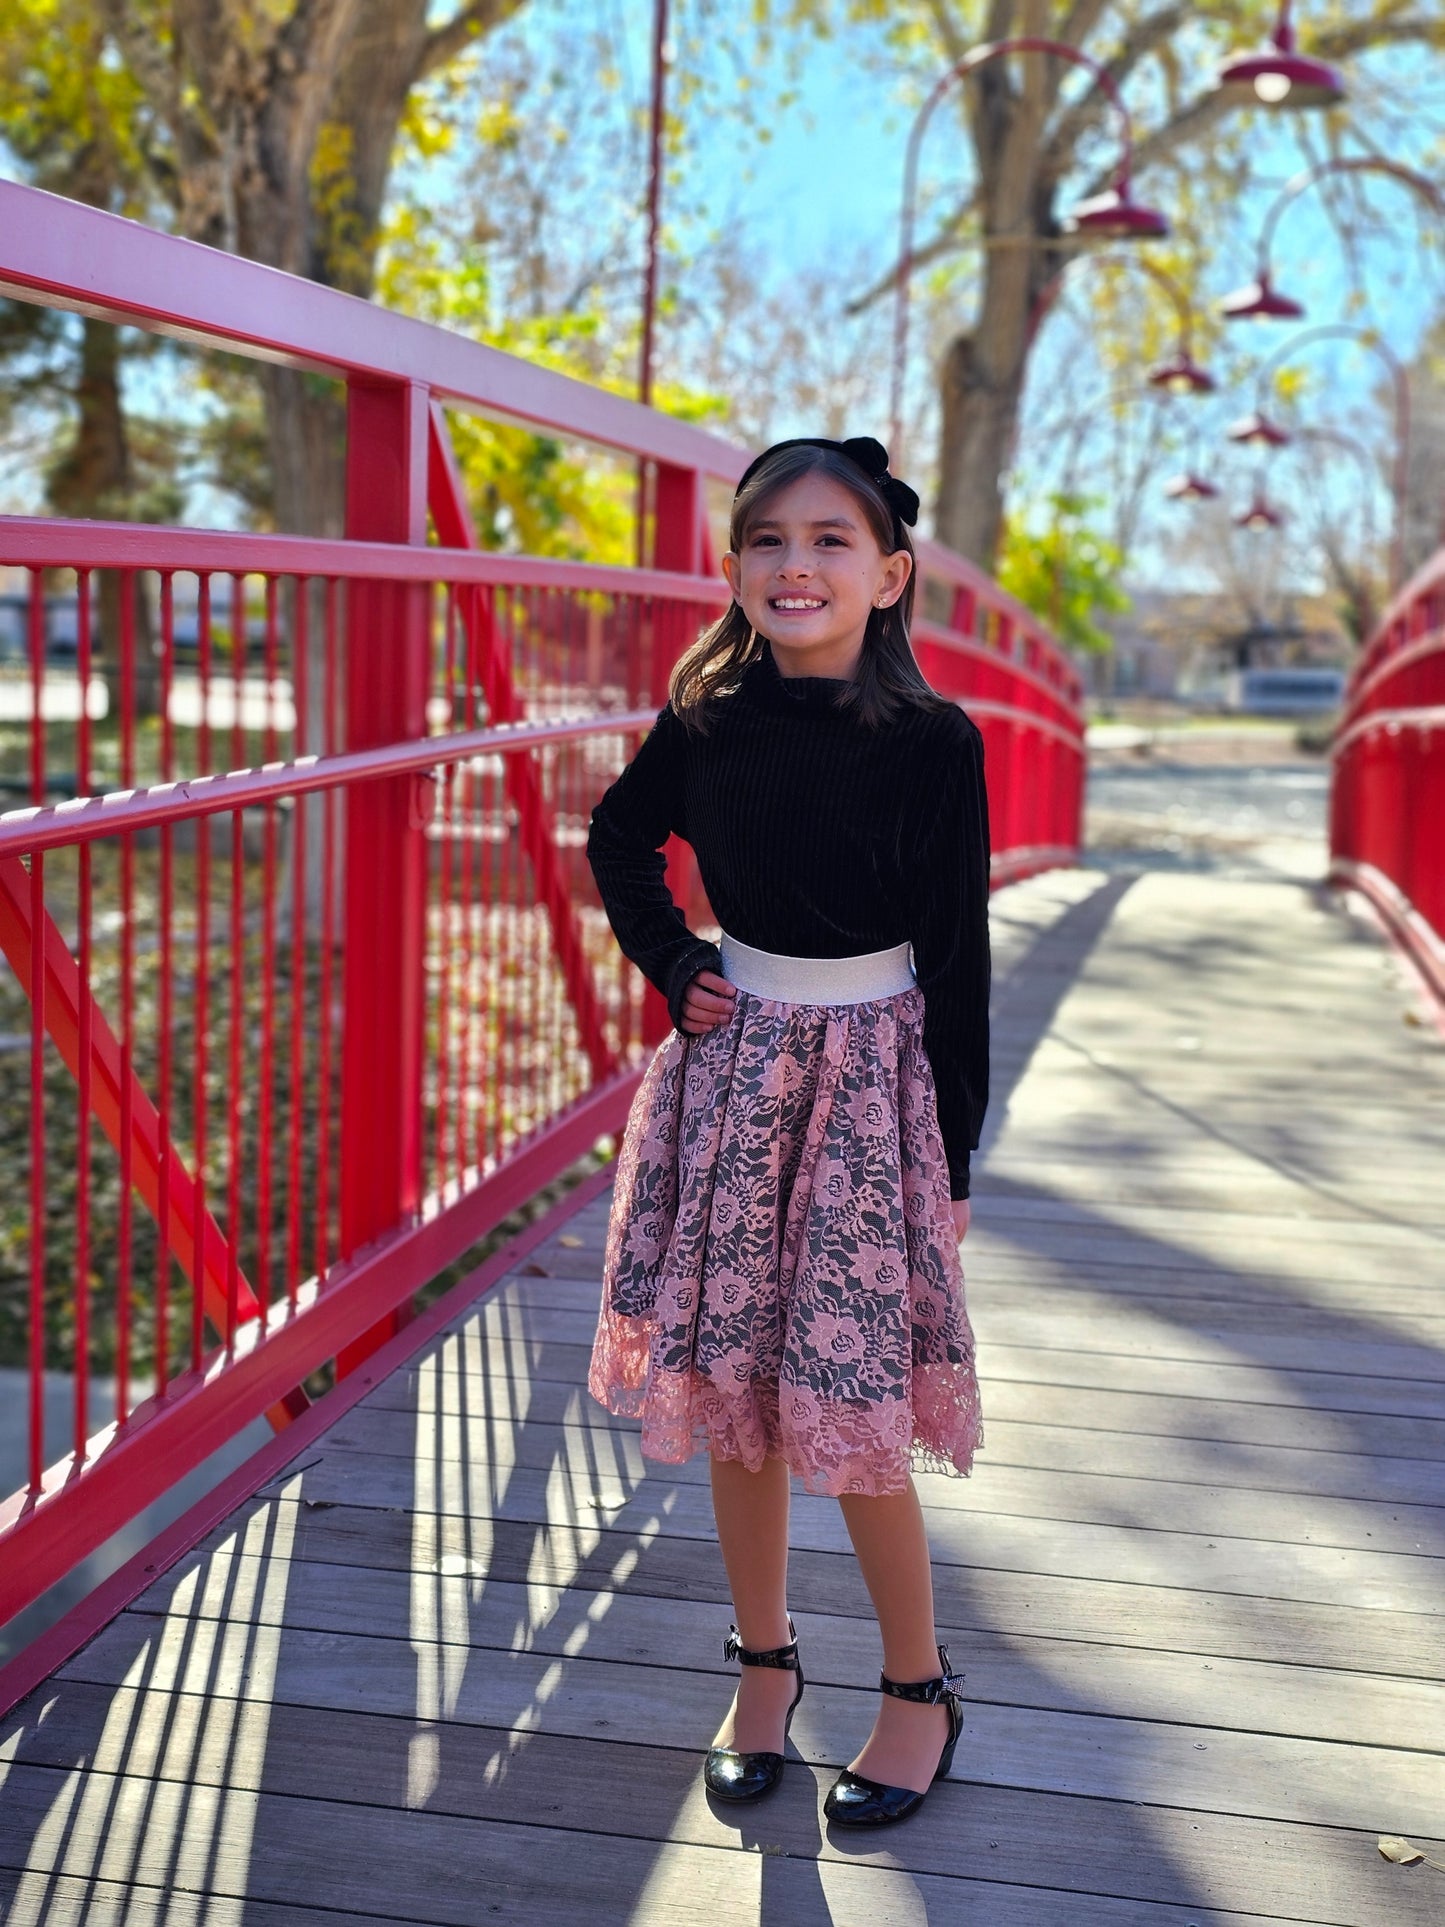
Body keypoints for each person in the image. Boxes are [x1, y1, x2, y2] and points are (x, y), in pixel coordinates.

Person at [585, 435, 988, 1828]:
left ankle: (916, 1690)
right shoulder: (705, 720)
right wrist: (670, 960)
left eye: (829, 541)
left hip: (871, 1086)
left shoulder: (935, 744)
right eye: (767, 539)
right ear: (736, 568)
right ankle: (763, 1672)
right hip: (735, 1073)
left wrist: (955, 1152)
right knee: (735, 1395)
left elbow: (959, 953)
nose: (794, 564)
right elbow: (616, 839)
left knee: (855, 1396)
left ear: (887, 575)